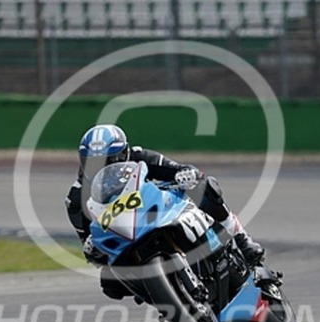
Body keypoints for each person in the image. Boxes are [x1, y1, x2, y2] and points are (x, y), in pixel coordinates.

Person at [65, 124, 264, 300]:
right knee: (110, 284)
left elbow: (178, 169)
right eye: (91, 162)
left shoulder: (139, 157)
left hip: (156, 212)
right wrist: (91, 247)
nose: (99, 167)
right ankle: (168, 298)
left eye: (107, 161)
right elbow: (90, 243)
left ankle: (241, 238)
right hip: (124, 238)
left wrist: (186, 175)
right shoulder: (76, 199)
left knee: (204, 186)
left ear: (124, 154)